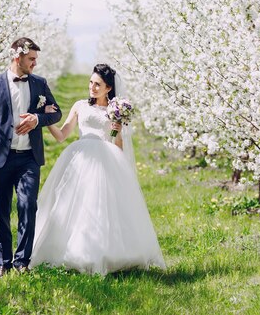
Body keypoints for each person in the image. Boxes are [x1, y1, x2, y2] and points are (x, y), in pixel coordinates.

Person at [30, 64, 166, 275]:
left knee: (101, 206)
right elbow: (61, 136)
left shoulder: (114, 110)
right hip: (79, 156)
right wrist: (44, 119)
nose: (92, 88)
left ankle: (104, 252)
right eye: (91, 83)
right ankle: (68, 250)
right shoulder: (80, 105)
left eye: (98, 84)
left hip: (105, 158)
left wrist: (115, 131)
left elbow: (117, 146)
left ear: (108, 88)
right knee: (71, 203)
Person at [0, 38, 62, 279]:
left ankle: (22, 262)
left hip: (29, 159)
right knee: (0, 212)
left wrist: (37, 119)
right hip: (0, 157)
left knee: (27, 206)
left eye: (35, 59)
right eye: (31, 59)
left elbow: (56, 113)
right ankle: (3, 263)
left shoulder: (40, 83)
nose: (34, 63)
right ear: (17, 57)